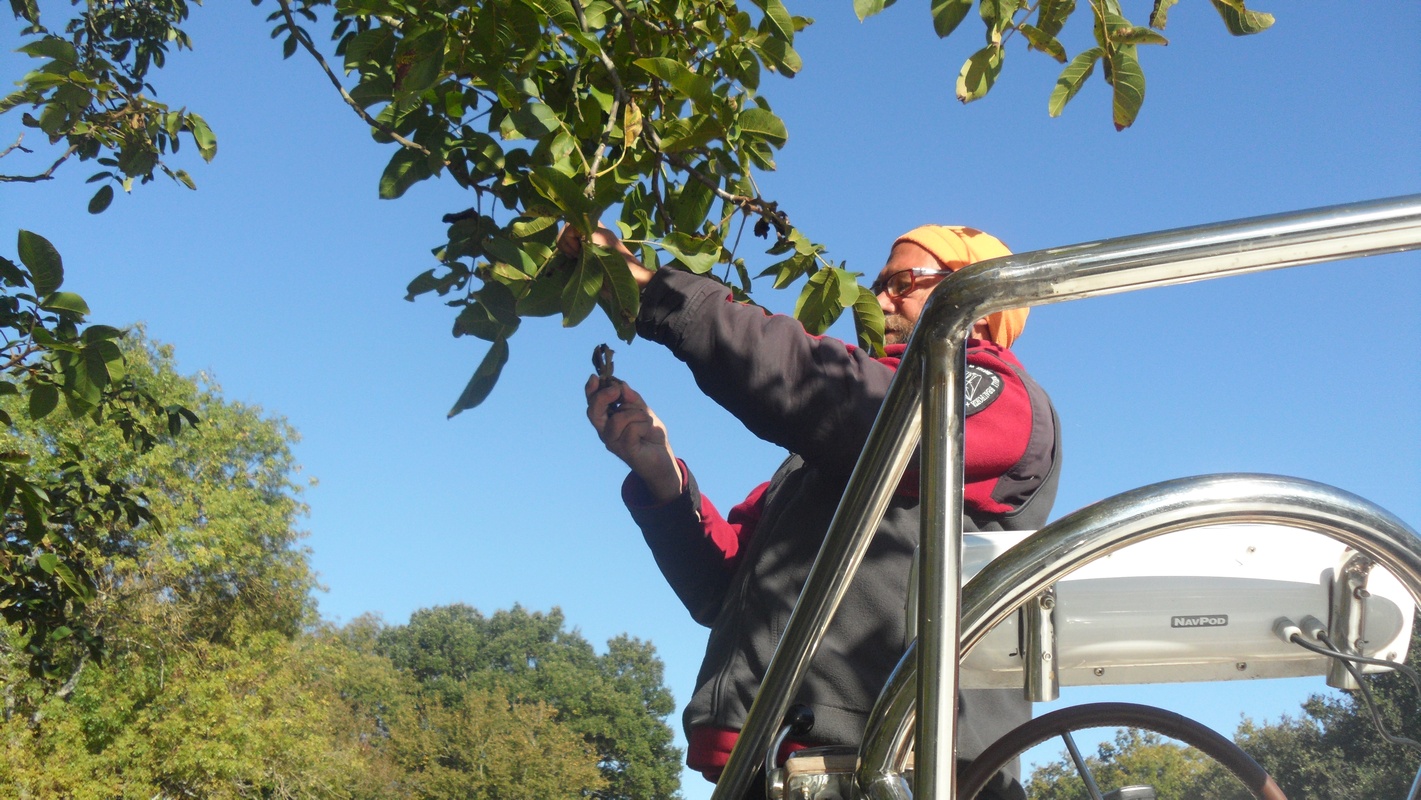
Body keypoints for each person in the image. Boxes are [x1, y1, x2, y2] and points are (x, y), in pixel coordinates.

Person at [573, 224, 1061, 800]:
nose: (878, 301)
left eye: (902, 282)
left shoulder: (990, 398)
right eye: (880, 283)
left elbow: (827, 389)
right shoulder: (821, 466)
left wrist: (659, 292)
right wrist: (660, 472)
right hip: (782, 771)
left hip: (898, 773)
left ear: (978, 305)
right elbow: (724, 592)